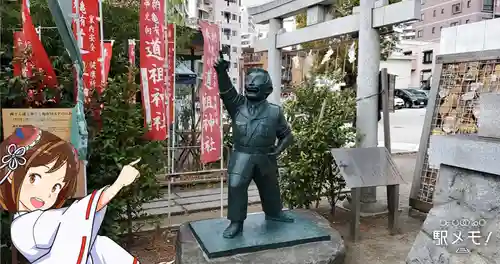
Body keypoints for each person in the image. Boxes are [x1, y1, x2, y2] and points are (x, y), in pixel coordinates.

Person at [0, 125, 141, 263]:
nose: (45, 193)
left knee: (100, 244)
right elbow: (71, 217)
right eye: (34, 177)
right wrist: (118, 185)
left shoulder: (39, 218)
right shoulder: (22, 227)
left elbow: (71, 218)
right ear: (12, 174)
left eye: (56, 187)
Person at [214, 52, 295, 239]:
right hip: (242, 156)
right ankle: (236, 223)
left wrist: (278, 149)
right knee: (236, 186)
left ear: (267, 89)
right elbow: (227, 91)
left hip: (266, 156)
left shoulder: (275, 112)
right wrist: (221, 72)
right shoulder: (237, 105)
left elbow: (287, 135)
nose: (250, 85)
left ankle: (275, 213)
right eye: (249, 82)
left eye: (256, 83)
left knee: (271, 187)